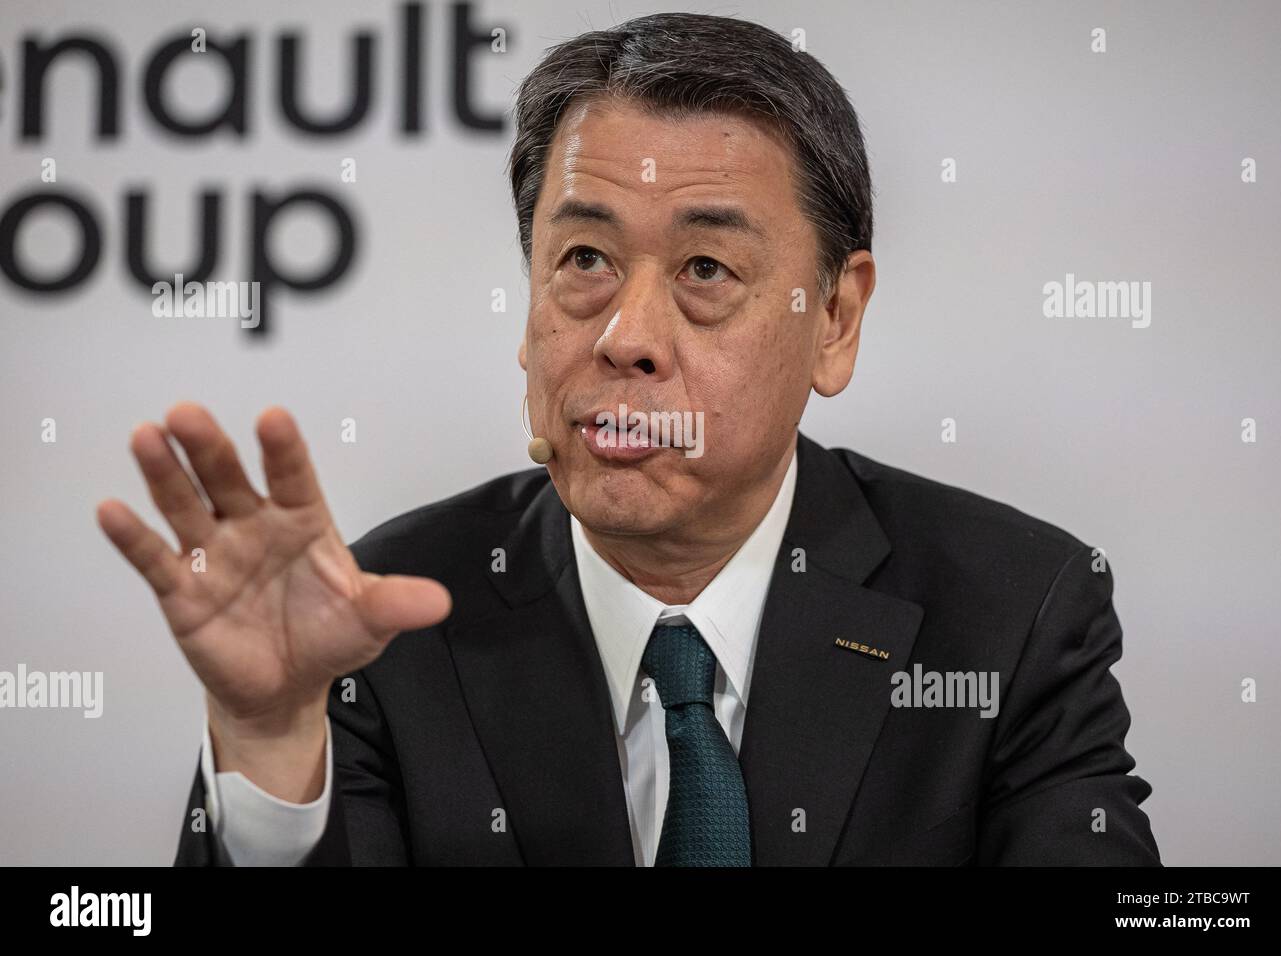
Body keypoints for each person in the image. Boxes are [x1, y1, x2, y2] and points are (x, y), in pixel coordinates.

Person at [96, 12, 1160, 866]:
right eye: (585, 260)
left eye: (705, 271)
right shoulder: (383, 618)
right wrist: (275, 740)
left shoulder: (1009, 612)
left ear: (833, 319)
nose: (624, 338)